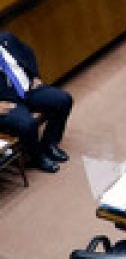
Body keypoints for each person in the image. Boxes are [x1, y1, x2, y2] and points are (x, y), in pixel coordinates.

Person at [0, 30, 73, 174]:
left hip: (29, 89)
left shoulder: (6, 39)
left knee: (63, 100)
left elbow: (28, 53)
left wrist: (34, 75)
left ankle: (50, 144)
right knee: (27, 124)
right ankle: (37, 157)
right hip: (6, 102)